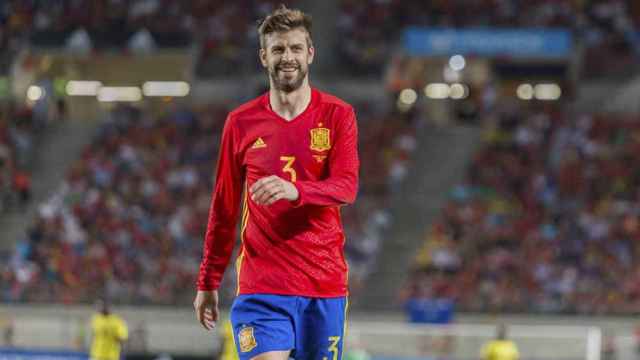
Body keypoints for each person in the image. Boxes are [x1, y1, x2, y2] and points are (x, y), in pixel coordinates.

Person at [193, 5, 360, 360]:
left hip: (323, 285)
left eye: (296, 48)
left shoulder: (337, 115)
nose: (288, 57)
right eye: (279, 49)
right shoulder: (240, 123)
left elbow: (346, 186)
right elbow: (223, 208)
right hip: (262, 285)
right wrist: (208, 280)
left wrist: (295, 189)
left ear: (310, 53)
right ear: (263, 56)